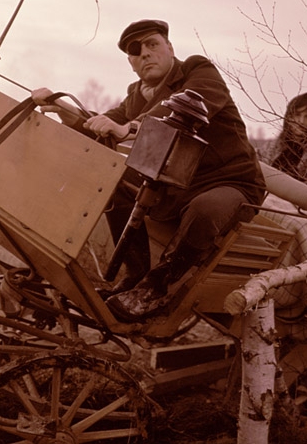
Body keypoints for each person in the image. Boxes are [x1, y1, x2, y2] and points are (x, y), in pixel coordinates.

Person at [32, 19, 266, 321]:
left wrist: (126, 128)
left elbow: (180, 111)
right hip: (174, 187)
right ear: (130, 63)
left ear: (169, 47)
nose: (145, 54)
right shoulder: (137, 95)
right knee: (109, 175)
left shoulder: (198, 71)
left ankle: (156, 288)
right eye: (134, 50)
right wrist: (64, 109)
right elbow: (103, 124)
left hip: (228, 183)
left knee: (205, 209)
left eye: (152, 44)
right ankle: (135, 274)